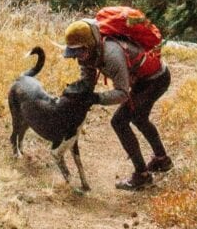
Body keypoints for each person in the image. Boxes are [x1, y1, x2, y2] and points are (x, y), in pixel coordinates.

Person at [63, 17, 172, 190]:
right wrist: (77, 95)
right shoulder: (89, 54)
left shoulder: (112, 54)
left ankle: (142, 175)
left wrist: (97, 98)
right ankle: (162, 160)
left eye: (79, 53)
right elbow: (87, 80)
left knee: (120, 121)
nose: (77, 58)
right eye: (73, 54)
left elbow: (122, 93)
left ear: (90, 45)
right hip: (145, 79)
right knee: (139, 118)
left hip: (155, 80)